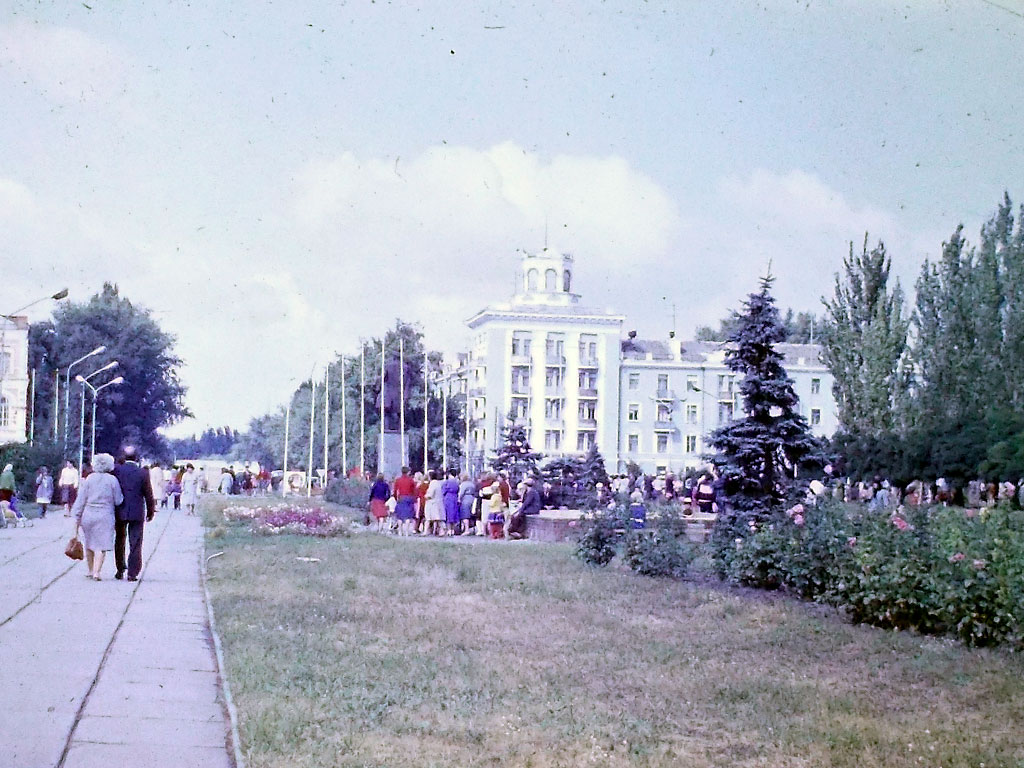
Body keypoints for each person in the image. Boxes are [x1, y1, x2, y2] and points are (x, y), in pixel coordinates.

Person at [72, 453, 123, 580]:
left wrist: (76, 515)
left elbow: (81, 499)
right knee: (101, 545)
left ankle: (90, 570)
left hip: (88, 515)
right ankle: (97, 572)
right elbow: (118, 500)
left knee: (89, 543)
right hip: (105, 515)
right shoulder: (112, 480)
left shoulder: (89, 478)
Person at [112, 446, 156, 582]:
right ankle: (132, 573)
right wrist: (150, 511)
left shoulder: (116, 470)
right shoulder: (143, 473)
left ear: (124, 457)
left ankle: (120, 569)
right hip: (137, 511)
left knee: (119, 540)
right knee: (135, 542)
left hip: (120, 510)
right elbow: (148, 493)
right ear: (137, 458)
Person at [392, 466, 417, 536]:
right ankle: (406, 532)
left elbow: (395, 490)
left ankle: (400, 531)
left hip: (401, 498)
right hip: (409, 498)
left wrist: (396, 498)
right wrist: (414, 499)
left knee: (400, 516)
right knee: (408, 516)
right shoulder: (411, 480)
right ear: (408, 472)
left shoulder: (398, 480)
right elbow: (414, 490)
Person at [424, 470, 444, 536]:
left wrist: (426, 496)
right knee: (438, 519)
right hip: (438, 502)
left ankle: (426, 531)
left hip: (432, 503)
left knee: (429, 518)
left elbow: (430, 494)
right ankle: (442, 531)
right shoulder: (438, 483)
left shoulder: (433, 484)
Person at [441, 469, 460, 536]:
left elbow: (443, 491)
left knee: (448, 514)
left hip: (448, 498)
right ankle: (452, 530)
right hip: (455, 498)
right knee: (454, 513)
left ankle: (449, 530)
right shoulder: (457, 482)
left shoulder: (446, 482)